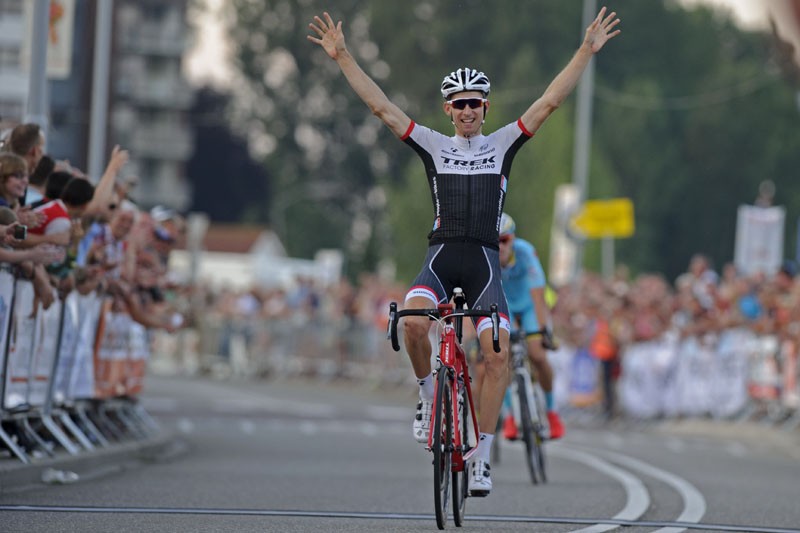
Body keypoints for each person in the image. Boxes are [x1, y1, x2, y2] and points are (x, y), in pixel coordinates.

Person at [308, 7, 620, 496]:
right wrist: (343, 55)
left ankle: (483, 457)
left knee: (497, 354)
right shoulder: (432, 145)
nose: (468, 110)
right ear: (448, 110)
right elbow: (382, 108)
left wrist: (585, 50)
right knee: (411, 324)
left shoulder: (502, 145)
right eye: (459, 104)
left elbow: (550, 101)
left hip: (483, 263)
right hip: (441, 256)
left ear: (486, 107)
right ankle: (426, 395)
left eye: (475, 102)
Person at [496, 213, 564, 439]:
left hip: (528, 306)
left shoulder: (525, 252)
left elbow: (538, 296)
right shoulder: (487, 256)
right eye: (495, 241)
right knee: (500, 359)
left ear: (513, 239)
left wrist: (543, 330)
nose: (500, 246)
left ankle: (552, 412)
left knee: (537, 354)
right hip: (504, 306)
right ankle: (509, 417)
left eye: (504, 240)